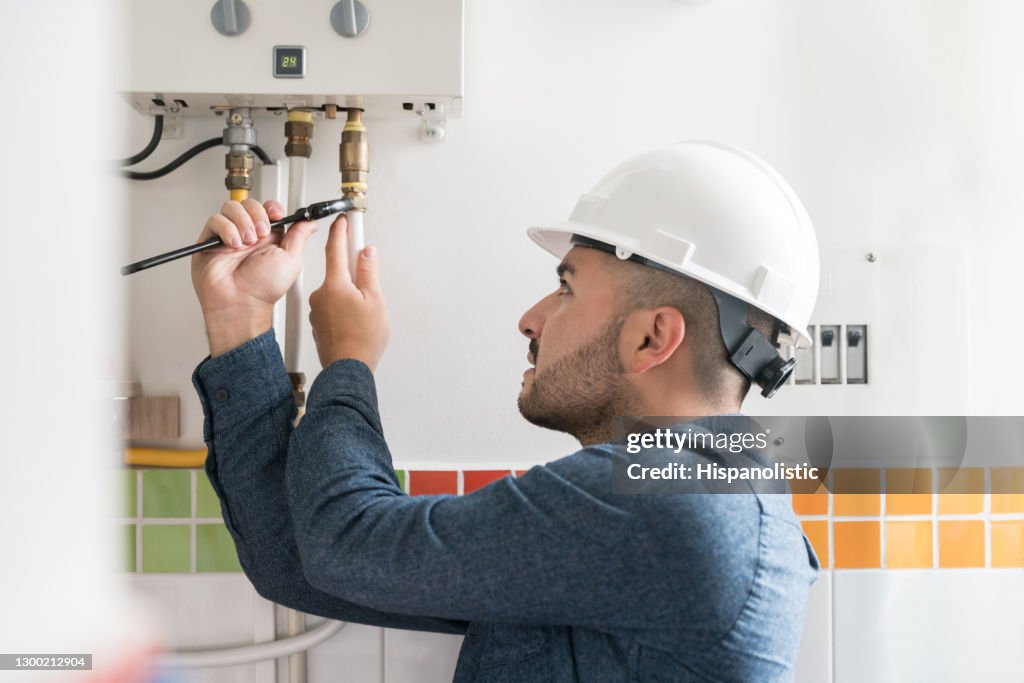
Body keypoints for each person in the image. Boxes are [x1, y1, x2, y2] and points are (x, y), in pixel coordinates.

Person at [190, 141, 821, 682]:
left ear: (653, 338)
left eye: (567, 286)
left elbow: (345, 545)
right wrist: (239, 318)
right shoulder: (692, 498)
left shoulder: (670, 504)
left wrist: (348, 361)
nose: (532, 318)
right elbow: (305, 565)